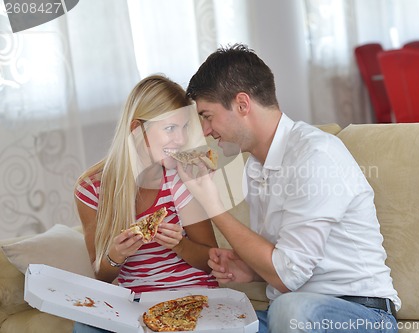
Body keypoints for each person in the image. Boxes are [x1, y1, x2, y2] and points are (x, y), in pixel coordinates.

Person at [178, 44, 401, 333]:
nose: (206, 131)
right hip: (289, 317)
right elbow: (287, 263)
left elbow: (288, 276)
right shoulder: (256, 167)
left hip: (362, 315)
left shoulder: (315, 156)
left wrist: (213, 206)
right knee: (209, 323)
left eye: (207, 116)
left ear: (243, 104)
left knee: (290, 308)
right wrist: (252, 271)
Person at [73, 74, 218, 333]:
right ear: (136, 129)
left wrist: (180, 244)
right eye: (170, 129)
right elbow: (101, 274)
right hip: (135, 305)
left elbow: (210, 260)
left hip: (191, 296)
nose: (181, 140)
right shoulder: (91, 189)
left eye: (184, 128)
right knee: (84, 327)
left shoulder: (181, 176)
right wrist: (115, 256)